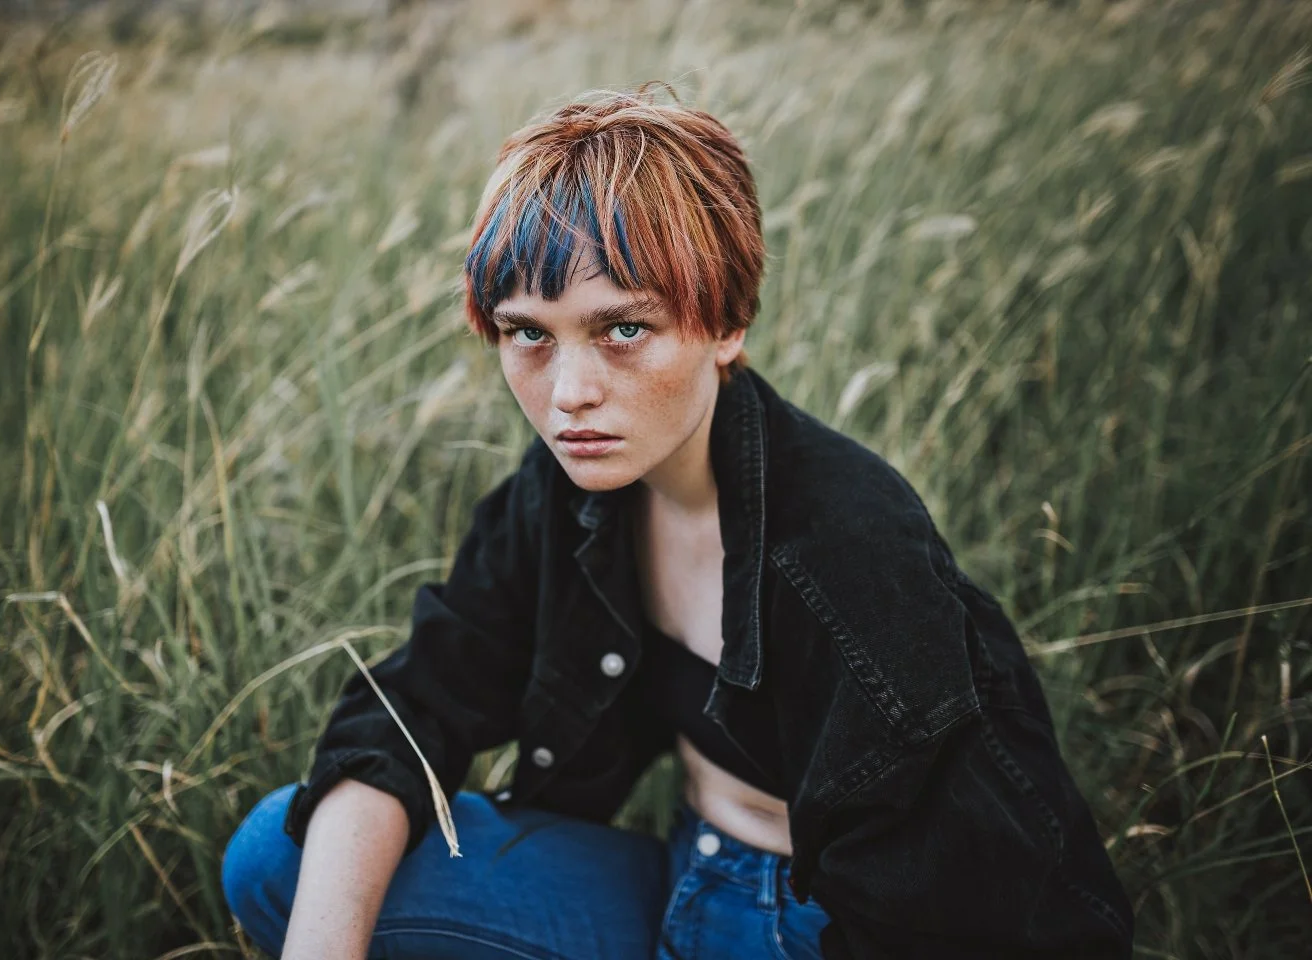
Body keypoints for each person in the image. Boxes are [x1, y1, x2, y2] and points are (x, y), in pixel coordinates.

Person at [221, 85, 1135, 959]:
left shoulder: (850, 551)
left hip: (823, 929)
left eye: (623, 329)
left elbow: (962, 912)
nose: (569, 394)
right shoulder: (571, 485)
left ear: (727, 324)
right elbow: (415, 703)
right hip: (677, 872)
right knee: (278, 856)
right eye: (529, 333)